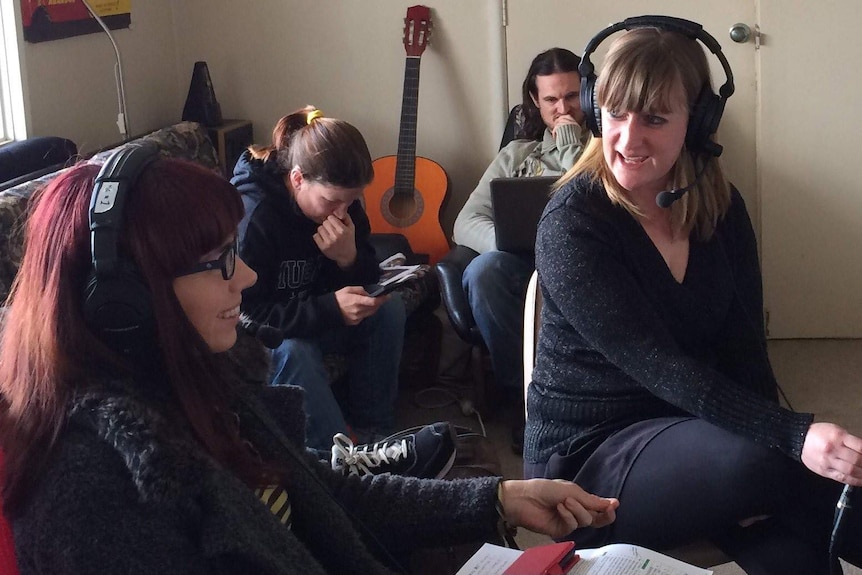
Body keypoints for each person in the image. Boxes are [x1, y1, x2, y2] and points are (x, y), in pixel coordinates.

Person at [0, 151, 619, 574]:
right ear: (125, 301)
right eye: (219, 261)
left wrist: (499, 497)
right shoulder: (88, 491)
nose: (243, 274)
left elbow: (318, 490)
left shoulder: (192, 382)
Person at [523, 22, 862, 575]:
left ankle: (759, 507)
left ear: (699, 121)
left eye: (655, 118)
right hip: (590, 462)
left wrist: (783, 440)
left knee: (802, 538)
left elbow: (746, 350)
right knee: (767, 463)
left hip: (701, 429)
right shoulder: (572, 223)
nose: (628, 139)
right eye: (614, 113)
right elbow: (661, 367)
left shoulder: (722, 209)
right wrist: (792, 436)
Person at [232, 107, 405, 452]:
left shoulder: (341, 202)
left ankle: (375, 434)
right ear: (297, 179)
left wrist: (348, 259)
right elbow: (244, 316)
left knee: (388, 309)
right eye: (333, 201)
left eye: (352, 200)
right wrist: (330, 309)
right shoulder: (255, 217)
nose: (342, 212)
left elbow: (367, 273)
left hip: (313, 317)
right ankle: (342, 460)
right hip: (264, 335)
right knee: (295, 352)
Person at [452, 48, 586, 446]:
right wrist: (507, 239)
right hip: (522, 264)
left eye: (573, 96)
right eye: (551, 99)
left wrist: (569, 142)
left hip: (587, 263)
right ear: (534, 100)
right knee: (483, 271)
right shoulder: (516, 155)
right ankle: (524, 395)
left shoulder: (609, 147)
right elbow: (464, 222)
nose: (563, 108)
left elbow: (593, 194)